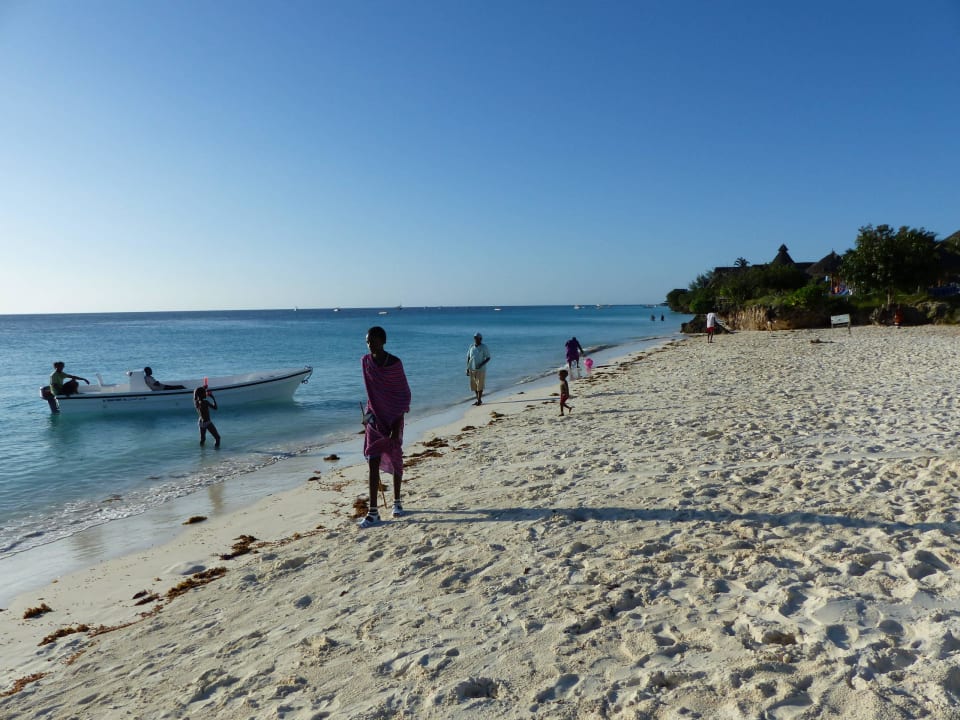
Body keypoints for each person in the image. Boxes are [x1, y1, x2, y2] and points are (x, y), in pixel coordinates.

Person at [359, 326, 412, 529]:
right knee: (372, 461)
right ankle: (373, 512)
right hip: (374, 418)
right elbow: (372, 393)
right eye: (367, 341)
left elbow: (403, 395)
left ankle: (397, 502)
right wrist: (367, 416)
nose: (369, 344)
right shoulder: (365, 362)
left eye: (373, 340)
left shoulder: (395, 364)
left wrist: (397, 420)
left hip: (393, 418)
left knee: (396, 456)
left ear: (383, 340)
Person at [466, 332, 491, 406]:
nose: (475, 339)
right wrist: (467, 368)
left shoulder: (484, 347)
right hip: (472, 369)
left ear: (481, 339)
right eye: (474, 338)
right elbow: (468, 357)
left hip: (481, 369)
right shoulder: (471, 346)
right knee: (474, 386)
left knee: (480, 385)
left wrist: (481, 364)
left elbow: (488, 357)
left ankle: (479, 400)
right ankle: (478, 399)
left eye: (477, 338)